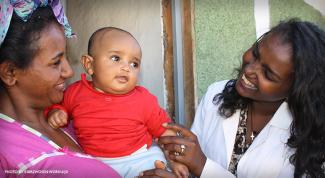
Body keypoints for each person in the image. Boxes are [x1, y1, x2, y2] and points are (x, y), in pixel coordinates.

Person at [139, 19, 325, 178]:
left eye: (268, 74)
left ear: (296, 89)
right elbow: (191, 169)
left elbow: (200, 166)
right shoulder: (216, 94)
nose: (250, 69)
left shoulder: (309, 137)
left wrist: (204, 167)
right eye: (255, 53)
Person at [46, 27, 189, 178]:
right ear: (89, 64)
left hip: (139, 159)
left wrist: (176, 161)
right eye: (116, 58)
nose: (126, 67)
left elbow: (166, 132)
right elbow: (60, 107)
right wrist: (57, 112)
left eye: (134, 64)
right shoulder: (75, 93)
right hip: (96, 164)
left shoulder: (143, 99)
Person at [0, 0, 120, 177]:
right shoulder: (6, 153)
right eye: (56, 62)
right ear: (10, 73)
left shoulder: (63, 117)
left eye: (66, 58)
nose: (69, 71)